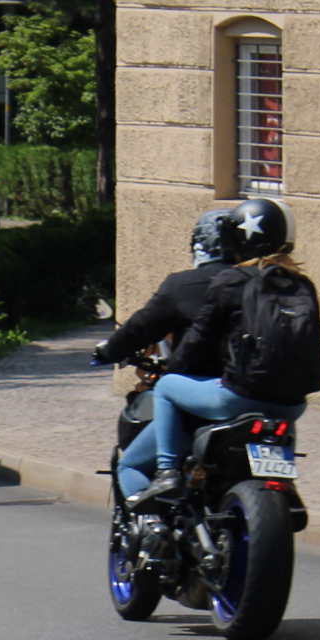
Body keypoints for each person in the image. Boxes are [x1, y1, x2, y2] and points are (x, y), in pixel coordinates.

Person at [131, 197, 318, 505]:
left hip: (237, 396)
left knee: (166, 388)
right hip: (294, 404)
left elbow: (197, 340)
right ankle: (285, 480)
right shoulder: (300, 284)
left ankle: (166, 472)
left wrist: (175, 369)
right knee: (278, 405)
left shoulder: (231, 280)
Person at [93, 208, 235, 496]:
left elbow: (142, 326)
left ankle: (155, 522)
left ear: (200, 246)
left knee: (129, 466)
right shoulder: (257, 283)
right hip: (257, 397)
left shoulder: (183, 285)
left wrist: (109, 350)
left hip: (203, 402)